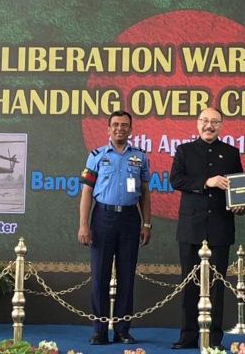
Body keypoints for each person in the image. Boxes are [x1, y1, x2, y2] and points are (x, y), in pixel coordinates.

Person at [169, 107, 243, 350]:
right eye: (204, 121)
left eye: (214, 122)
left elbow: (240, 187)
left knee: (216, 286)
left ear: (221, 126)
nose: (209, 126)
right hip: (191, 228)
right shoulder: (184, 150)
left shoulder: (231, 153)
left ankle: (214, 338)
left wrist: (240, 204)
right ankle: (188, 335)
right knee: (189, 284)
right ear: (197, 123)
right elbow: (176, 180)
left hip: (221, 227)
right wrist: (206, 182)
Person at [78, 110, 152, 345]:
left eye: (125, 125)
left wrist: (146, 223)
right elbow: (87, 192)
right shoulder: (96, 156)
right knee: (99, 276)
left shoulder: (140, 157)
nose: (120, 128)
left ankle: (122, 330)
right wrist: (83, 225)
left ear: (131, 130)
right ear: (108, 129)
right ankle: (100, 330)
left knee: (127, 276)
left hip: (130, 219)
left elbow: (145, 193)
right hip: (102, 218)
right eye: (116, 125)